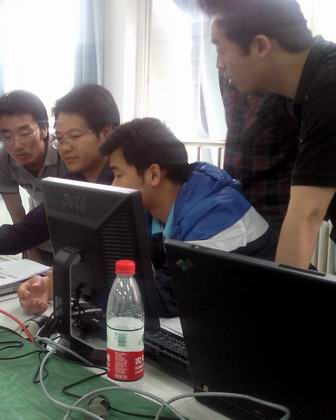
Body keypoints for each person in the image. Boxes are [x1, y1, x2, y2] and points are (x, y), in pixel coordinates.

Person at [19, 118, 275, 315]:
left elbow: (166, 299)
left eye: (118, 174)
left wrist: (84, 292)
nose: (113, 186)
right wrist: (53, 283)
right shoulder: (148, 210)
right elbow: (107, 262)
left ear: (153, 174)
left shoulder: (215, 216)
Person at [199, 0, 336, 269]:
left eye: (221, 49)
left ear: (260, 46)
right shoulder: (308, 89)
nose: (218, 64)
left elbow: (306, 215)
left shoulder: (328, 87)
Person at [0, 84, 120, 312]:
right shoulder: (75, 180)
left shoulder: (126, 179)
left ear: (105, 133)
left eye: (74, 136)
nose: (65, 147)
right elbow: (34, 224)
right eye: (61, 139)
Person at [0, 90, 67, 263]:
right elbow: (17, 214)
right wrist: (31, 253)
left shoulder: (65, 153)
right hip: (37, 235)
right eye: (7, 136)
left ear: (44, 129)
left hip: (74, 239)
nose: (17, 145)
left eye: (25, 133)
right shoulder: (1, 159)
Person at [219, 76, 299, 243]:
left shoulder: (287, 87)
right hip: (233, 209)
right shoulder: (228, 79)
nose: (219, 64)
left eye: (223, 53)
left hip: (273, 213)